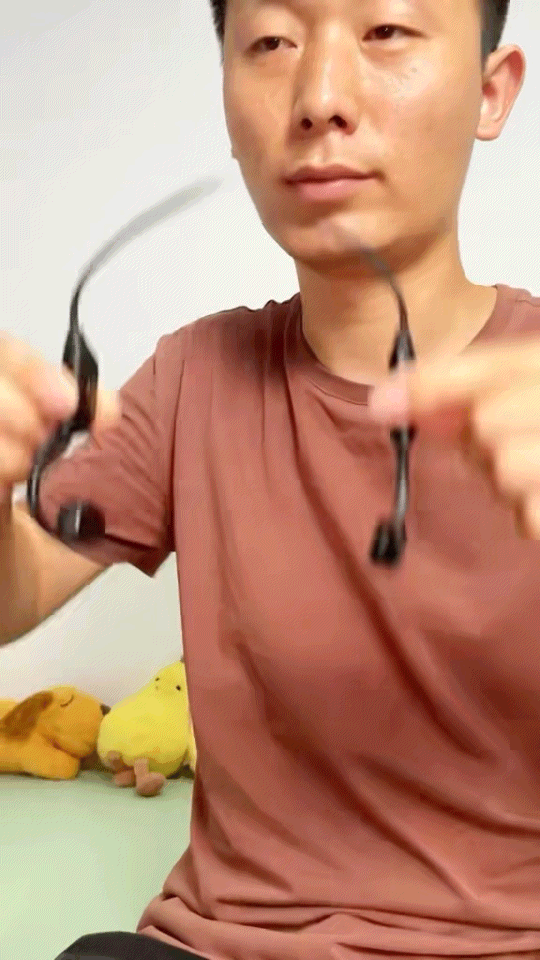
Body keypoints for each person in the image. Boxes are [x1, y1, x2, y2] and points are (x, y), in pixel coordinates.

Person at [2, 0, 540, 957]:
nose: (319, 95)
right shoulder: (194, 375)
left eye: (386, 31)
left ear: (491, 91)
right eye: (272, 43)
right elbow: (21, 586)